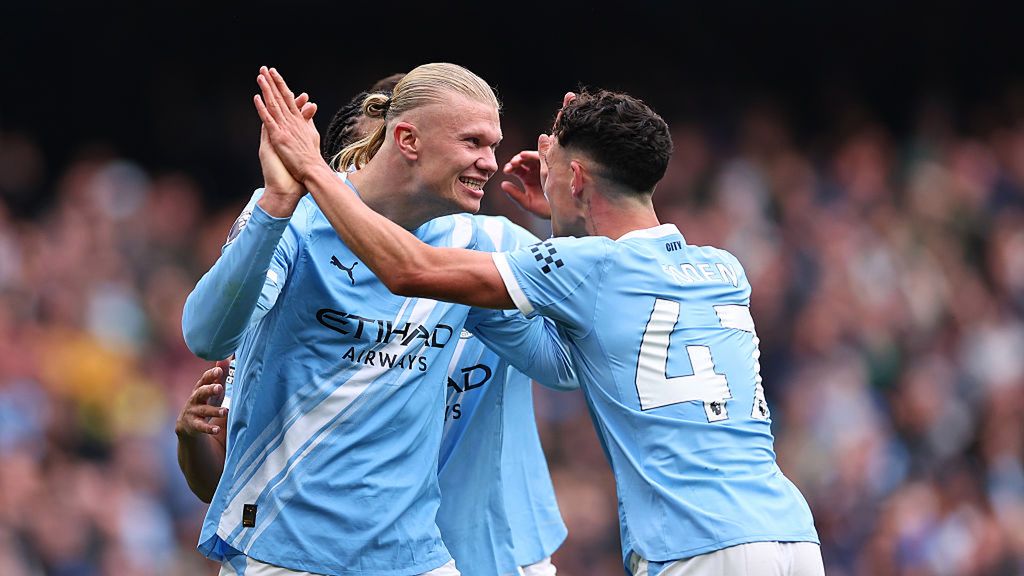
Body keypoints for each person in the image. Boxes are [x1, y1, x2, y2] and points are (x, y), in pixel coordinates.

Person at [254, 68, 824, 575]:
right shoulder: (723, 267)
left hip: (698, 543)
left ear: (577, 179)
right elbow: (597, 321)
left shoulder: (586, 269)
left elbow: (407, 268)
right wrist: (568, 217)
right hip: (791, 530)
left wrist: (312, 170)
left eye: (551, 166)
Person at [176, 74, 567, 575]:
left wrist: (571, 218)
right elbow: (207, 337)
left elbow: (561, 364)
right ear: (407, 140)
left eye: (493, 145)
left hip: (427, 554)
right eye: (473, 142)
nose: (490, 163)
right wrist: (276, 201)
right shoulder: (294, 214)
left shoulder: (480, 244)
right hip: (285, 552)